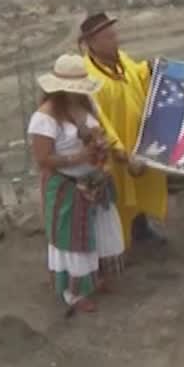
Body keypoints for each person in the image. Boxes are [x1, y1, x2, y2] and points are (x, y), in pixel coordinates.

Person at [28, 54, 125, 314]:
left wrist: (100, 143)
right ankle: (74, 292)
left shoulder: (87, 104)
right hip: (68, 185)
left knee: (100, 229)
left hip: (94, 180)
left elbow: (98, 131)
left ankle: (98, 276)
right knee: (73, 238)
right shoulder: (45, 118)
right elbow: (43, 159)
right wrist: (79, 157)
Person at [79, 12, 167, 248]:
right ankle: (118, 244)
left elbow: (135, 76)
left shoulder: (122, 59)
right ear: (91, 43)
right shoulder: (88, 77)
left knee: (137, 191)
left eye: (114, 34)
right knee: (119, 196)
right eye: (108, 37)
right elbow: (97, 120)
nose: (115, 40)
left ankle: (141, 231)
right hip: (115, 148)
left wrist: (147, 69)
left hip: (137, 138)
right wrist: (119, 150)